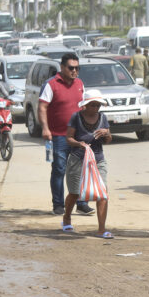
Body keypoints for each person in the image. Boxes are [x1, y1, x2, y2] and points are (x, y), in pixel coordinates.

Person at [39, 52, 94, 216]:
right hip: (58, 136)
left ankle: (81, 203)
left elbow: (83, 107)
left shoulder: (80, 83)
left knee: (80, 170)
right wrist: (45, 128)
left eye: (77, 68)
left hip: (78, 136)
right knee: (59, 169)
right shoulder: (51, 84)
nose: (74, 71)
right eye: (71, 68)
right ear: (62, 67)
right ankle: (58, 204)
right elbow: (42, 107)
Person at [62, 89, 112, 237]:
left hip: (98, 159)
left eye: (98, 105)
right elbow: (68, 138)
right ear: (85, 105)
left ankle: (102, 229)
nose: (95, 108)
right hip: (78, 158)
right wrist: (79, 144)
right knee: (74, 192)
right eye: (93, 105)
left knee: (102, 194)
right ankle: (67, 218)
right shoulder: (76, 117)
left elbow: (108, 140)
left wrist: (107, 133)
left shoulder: (103, 118)